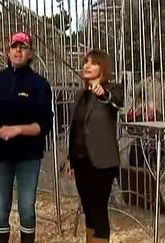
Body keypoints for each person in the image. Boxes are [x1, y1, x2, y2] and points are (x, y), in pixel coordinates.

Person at [0, 32, 53, 243]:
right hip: (0, 155)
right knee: (0, 208)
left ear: (30, 53)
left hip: (28, 156)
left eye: (23, 47)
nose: (18, 50)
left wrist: (16, 130)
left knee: (26, 208)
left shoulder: (39, 84)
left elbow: (43, 125)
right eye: (14, 46)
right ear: (8, 51)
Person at [68, 49, 123, 243]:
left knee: (98, 211)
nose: (87, 66)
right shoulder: (81, 95)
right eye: (85, 62)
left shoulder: (113, 89)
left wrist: (103, 93)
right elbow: (75, 129)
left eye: (93, 63)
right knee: (89, 210)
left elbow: (115, 102)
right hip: (81, 161)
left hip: (102, 163)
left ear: (103, 67)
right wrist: (69, 158)